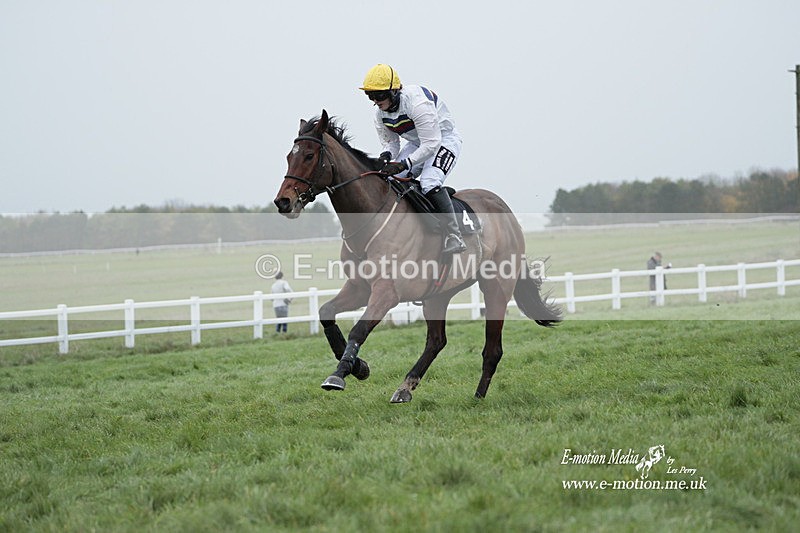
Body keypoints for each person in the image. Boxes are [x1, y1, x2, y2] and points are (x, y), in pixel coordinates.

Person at [360, 63, 467, 254]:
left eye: (379, 95)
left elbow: (431, 144)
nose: (375, 101)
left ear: (394, 91)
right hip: (418, 143)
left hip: (443, 140)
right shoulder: (380, 114)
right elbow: (391, 144)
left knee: (429, 182)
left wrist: (404, 164)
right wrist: (385, 157)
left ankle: (454, 235)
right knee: (390, 179)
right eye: (370, 95)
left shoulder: (417, 104)